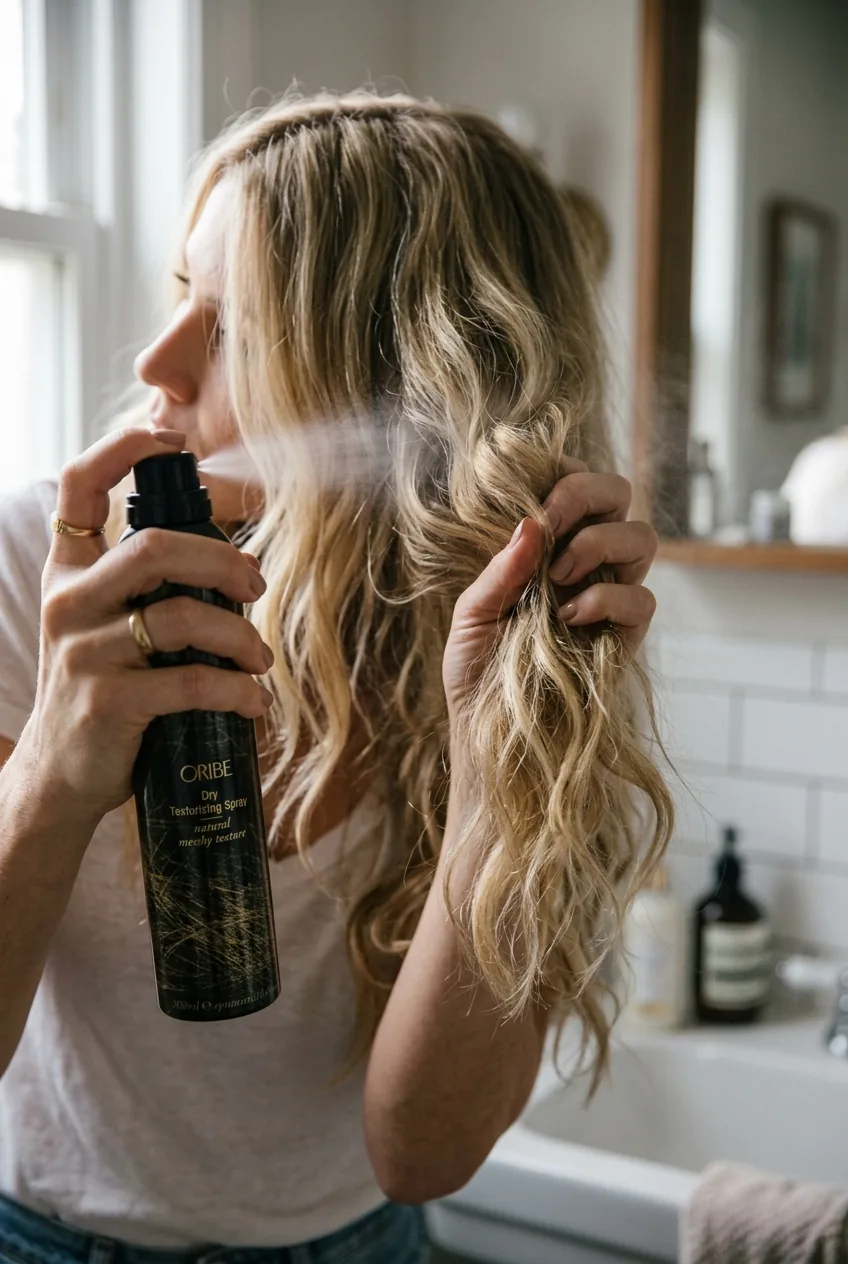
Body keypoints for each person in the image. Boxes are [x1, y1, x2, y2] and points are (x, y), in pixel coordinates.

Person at [0, 92, 671, 1264]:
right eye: (176, 296)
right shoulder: (40, 569)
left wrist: (498, 760)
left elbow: (421, 1151)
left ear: (403, 378)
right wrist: (57, 764)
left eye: (235, 328)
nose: (156, 363)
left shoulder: (532, 636)